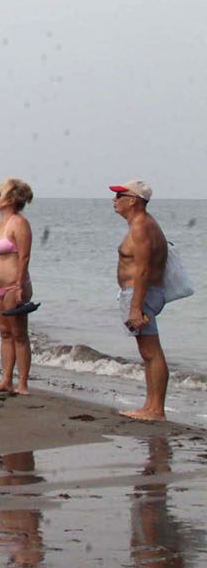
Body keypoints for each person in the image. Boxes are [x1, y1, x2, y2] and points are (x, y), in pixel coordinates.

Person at [111, 180, 171, 422]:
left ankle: (156, 410)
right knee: (147, 353)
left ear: (133, 200)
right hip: (140, 294)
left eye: (120, 195)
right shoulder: (140, 224)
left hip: (141, 295)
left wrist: (136, 307)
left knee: (151, 352)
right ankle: (150, 406)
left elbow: (144, 270)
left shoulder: (141, 226)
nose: (115, 200)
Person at [0, 177, 38, 394]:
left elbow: (24, 257)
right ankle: (6, 379)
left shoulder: (19, 223)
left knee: (19, 334)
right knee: (4, 333)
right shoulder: (0, 223)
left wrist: (19, 286)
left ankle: (22, 383)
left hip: (14, 286)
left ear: (12, 199)